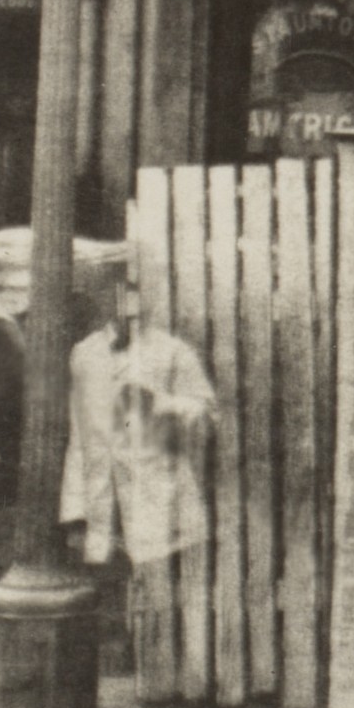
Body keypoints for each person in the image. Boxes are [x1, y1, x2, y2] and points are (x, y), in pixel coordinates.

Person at [59, 263, 215, 675]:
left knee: (159, 580)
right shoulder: (84, 353)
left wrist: (160, 403)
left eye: (131, 293)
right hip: (102, 490)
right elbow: (78, 435)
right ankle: (119, 663)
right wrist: (73, 510)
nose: (123, 303)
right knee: (108, 579)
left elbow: (206, 413)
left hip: (156, 486)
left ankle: (166, 668)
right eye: (114, 293)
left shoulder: (171, 352)